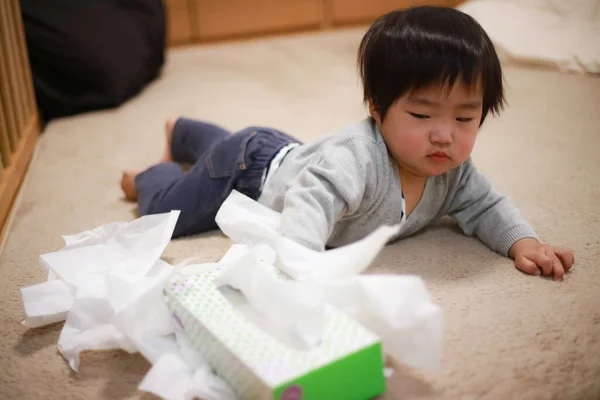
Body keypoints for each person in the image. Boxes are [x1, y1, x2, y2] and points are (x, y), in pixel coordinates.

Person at [120, 6, 574, 280]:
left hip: (282, 151)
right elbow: (311, 202)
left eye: (464, 117)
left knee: (253, 149)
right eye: (421, 114)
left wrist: (523, 242)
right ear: (376, 106)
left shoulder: (454, 171)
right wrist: (298, 266)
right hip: (246, 173)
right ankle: (153, 173)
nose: (444, 134)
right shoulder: (356, 159)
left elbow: (487, 207)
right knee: (164, 212)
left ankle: (183, 129)